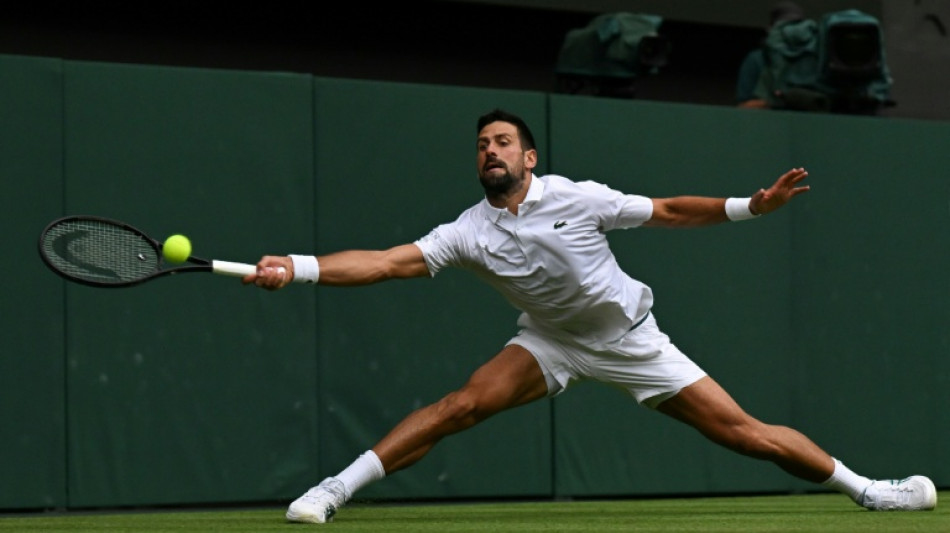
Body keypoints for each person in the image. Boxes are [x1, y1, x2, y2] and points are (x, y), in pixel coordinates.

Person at [244, 109, 938, 523]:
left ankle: (871, 491)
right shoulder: (466, 230)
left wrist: (749, 207)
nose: (491, 150)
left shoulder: (577, 198)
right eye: (483, 144)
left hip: (633, 341)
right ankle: (333, 490)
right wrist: (297, 267)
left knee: (745, 433)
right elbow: (389, 261)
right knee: (459, 405)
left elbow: (666, 210)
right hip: (551, 342)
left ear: (529, 156)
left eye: (503, 142)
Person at [736, 1, 806, 108]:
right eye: (783, 27)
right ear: (770, 29)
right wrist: (774, 101)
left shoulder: (812, 60)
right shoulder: (756, 59)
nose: (789, 32)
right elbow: (743, 106)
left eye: (794, 26)